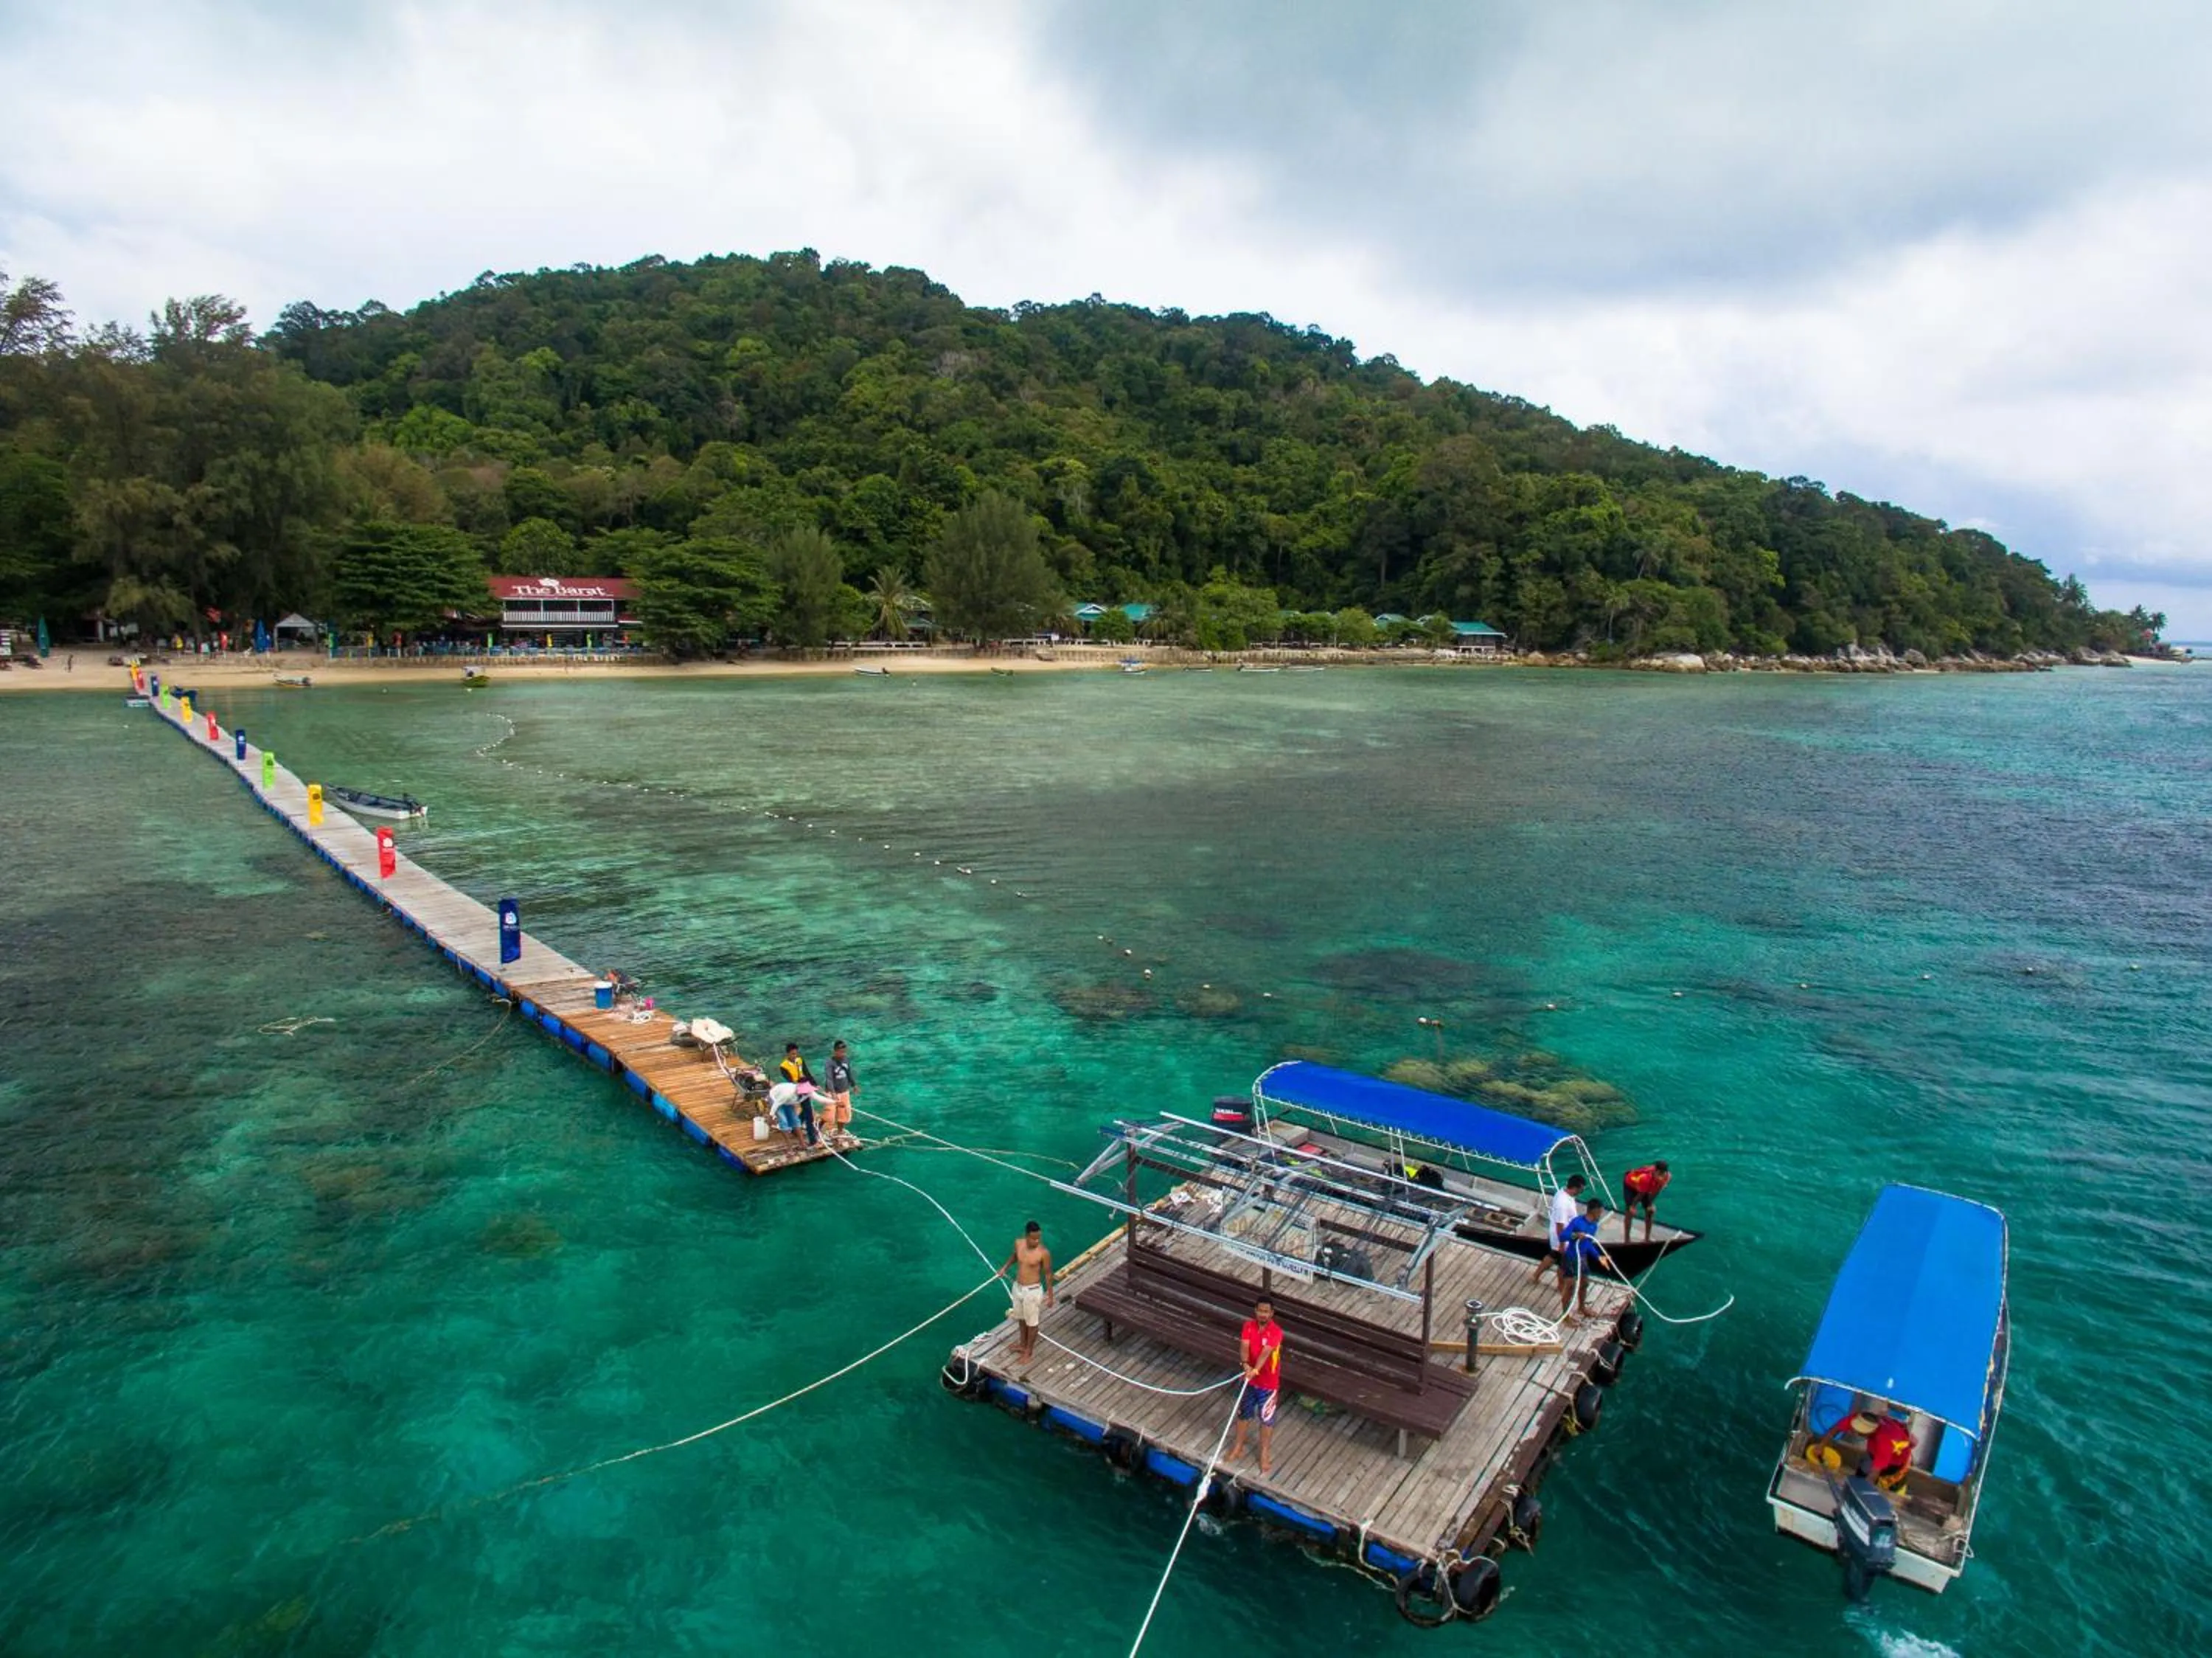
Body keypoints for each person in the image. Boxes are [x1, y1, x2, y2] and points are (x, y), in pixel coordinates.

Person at [1228, 1297, 1284, 1475]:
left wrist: (1256, 1370)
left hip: (1267, 1383)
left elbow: (1266, 1353)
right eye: (1260, 1311)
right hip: (1249, 1379)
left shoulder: (1276, 1332)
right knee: (1243, 1413)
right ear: (1255, 1310)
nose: (1263, 1314)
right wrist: (1245, 1364)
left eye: (1267, 1312)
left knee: (1266, 1419)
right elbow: (1244, 1346)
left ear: (1272, 1313)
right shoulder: (1248, 1326)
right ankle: (1238, 1445)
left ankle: (1264, 1452)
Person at [1810, 1401, 1914, 1494]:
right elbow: (1836, 1428)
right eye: (1855, 1429)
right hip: (1875, 1452)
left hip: (1896, 1461)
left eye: (1859, 1432)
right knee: (1864, 1468)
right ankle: (1858, 1481)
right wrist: (1821, 1446)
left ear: (1870, 1432)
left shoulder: (1884, 1442)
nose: (1854, 1432)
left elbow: (1874, 1474)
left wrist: (1862, 1492)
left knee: (1887, 1486)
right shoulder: (1860, 1419)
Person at [998, 1221, 1054, 1366]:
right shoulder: (1018, 1243)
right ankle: (1022, 1344)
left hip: (1033, 1291)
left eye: (1038, 1238)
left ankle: (1029, 1351)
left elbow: (1048, 1274)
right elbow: (1015, 1257)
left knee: (1032, 1323)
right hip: (1018, 1288)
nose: (1037, 1241)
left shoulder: (1043, 1253)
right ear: (1026, 1236)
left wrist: (1050, 1295)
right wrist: (1004, 1268)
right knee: (1021, 1318)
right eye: (1034, 1239)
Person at [1556, 1196, 1615, 1319]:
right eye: (1600, 1211)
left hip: (1582, 1258)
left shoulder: (1594, 1226)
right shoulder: (1577, 1222)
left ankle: (1581, 1307)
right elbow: (1562, 1236)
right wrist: (1575, 1235)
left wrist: (1599, 1257)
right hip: (1571, 1258)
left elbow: (1588, 1244)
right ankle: (1565, 1317)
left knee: (1585, 1283)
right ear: (1594, 1211)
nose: (1601, 1214)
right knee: (1570, 1287)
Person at [1528, 1173, 1587, 1283]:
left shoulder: (1564, 1193)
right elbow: (1560, 1225)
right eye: (1581, 1190)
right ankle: (1561, 1286)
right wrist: (1562, 1244)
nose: (1581, 1193)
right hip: (1562, 1236)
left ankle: (1535, 1276)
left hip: (1565, 1233)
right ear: (1575, 1188)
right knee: (1563, 1262)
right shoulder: (1562, 1203)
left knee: (1553, 1256)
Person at [1620, 1160, 1672, 1243]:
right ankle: (1627, 1240)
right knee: (1629, 1212)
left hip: (1643, 1188)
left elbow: (1656, 1191)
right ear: (1655, 1172)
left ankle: (1647, 1239)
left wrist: (1650, 1205)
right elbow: (1640, 1195)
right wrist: (1633, 1207)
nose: (1661, 1178)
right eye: (1659, 1174)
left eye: (1663, 1174)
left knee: (1650, 1212)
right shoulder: (1646, 1178)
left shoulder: (1668, 1177)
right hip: (1630, 1185)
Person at [766, 1080, 820, 1145]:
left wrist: (834, 1102)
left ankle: (802, 1144)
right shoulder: (788, 1094)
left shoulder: (807, 1093)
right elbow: (776, 1104)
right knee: (783, 1121)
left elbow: (820, 1098)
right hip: (775, 1098)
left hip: (787, 1101)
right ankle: (790, 1147)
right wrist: (771, 1116)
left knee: (795, 1121)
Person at [824, 1038, 856, 1140]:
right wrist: (832, 1092)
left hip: (844, 1091)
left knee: (843, 1114)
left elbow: (849, 1073)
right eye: (841, 1052)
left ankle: (840, 1131)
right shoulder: (829, 1062)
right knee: (829, 1115)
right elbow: (829, 1078)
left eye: (844, 1052)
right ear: (835, 1051)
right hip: (833, 1092)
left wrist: (854, 1085)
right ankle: (819, 1127)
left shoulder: (846, 1060)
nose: (843, 1054)